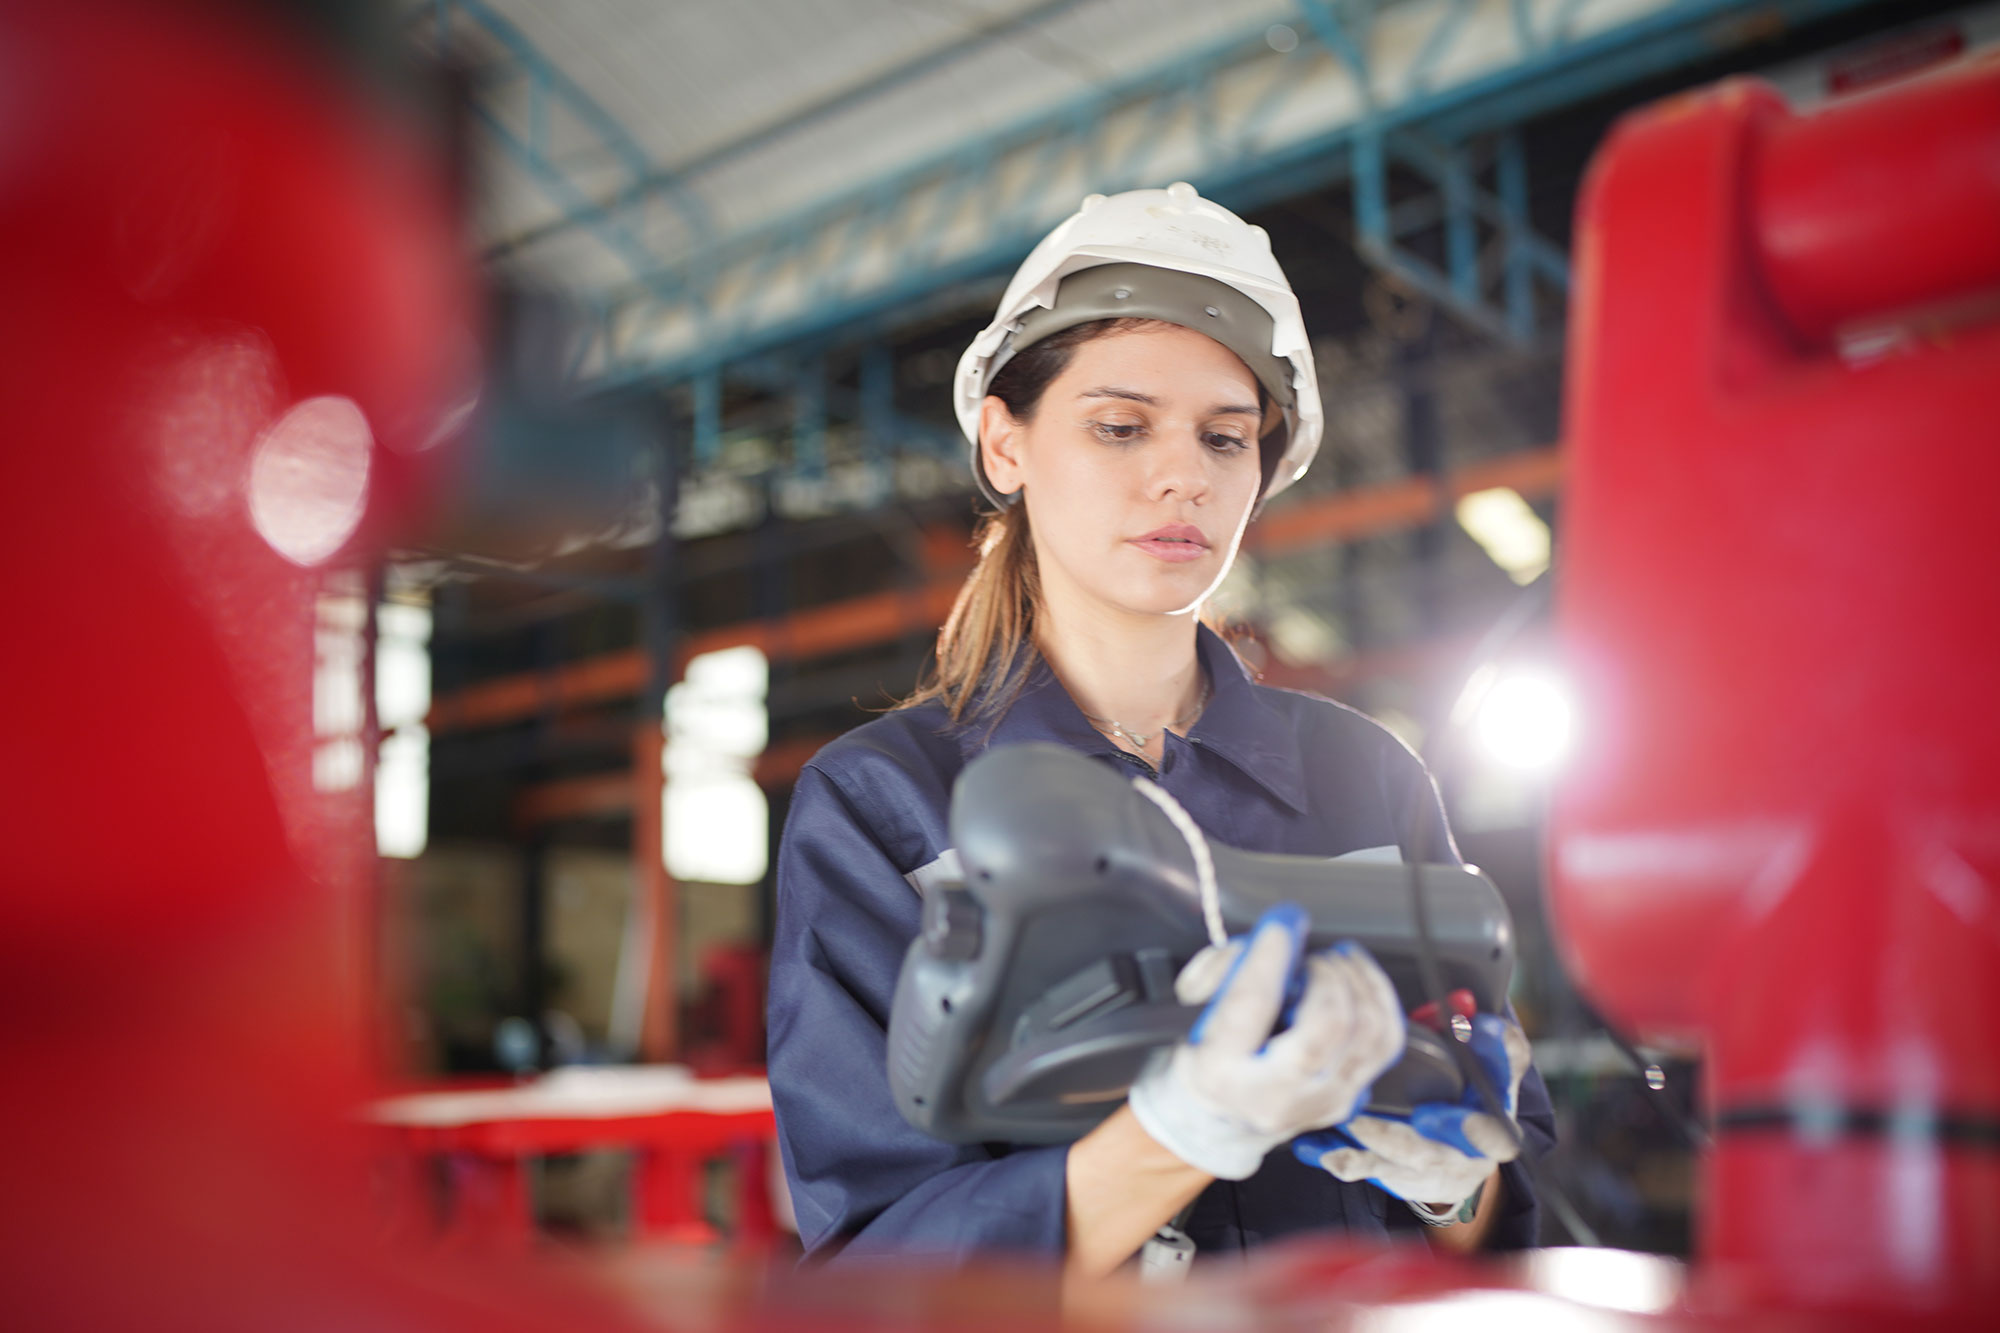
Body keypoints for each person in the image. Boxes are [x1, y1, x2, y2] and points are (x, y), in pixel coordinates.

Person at [766, 182, 1554, 1278]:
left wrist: (1455, 1177)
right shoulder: (884, 803)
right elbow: (871, 1263)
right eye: (1120, 426)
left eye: (1224, 438)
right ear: (1005, 442)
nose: (1182, 471)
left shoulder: (1365, 776)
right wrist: (1179, 1133)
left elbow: (1510, 1214)